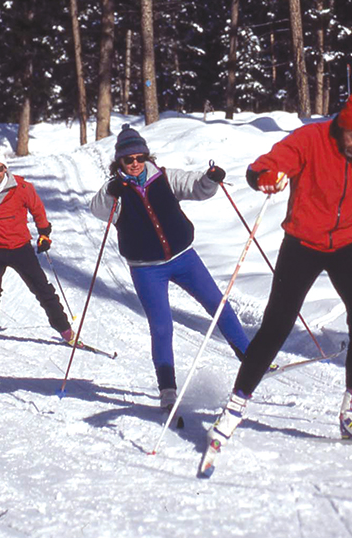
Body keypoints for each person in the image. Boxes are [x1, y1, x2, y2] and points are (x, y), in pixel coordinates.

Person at [206, 93, 352, 456]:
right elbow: (262, 166)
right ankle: (234, 408)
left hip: (349, 242)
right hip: (303, 242)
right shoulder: (311, 139)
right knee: (276, 327)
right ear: (341, 127)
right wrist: (266, 178)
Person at [89, 124, 250, 412]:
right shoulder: (115, 189)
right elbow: (97, 210)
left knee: (219, 305)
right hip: (146, 268)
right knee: (162, 327)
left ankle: (250, 359)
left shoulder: (164, 177)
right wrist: (112, 192)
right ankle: (167, 390)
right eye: (129, 160)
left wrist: (211, 179)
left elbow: (197, 187)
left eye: (140, 157)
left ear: (147, 157)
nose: (136, 164)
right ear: (120, 162)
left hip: (184, 258)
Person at [0, 150, 75, 359]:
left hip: (19, 247)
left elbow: (37, 209)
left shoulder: (21, 187)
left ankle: (66, 331)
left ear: (6, 168)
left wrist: (44, 234)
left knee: (42, 288)